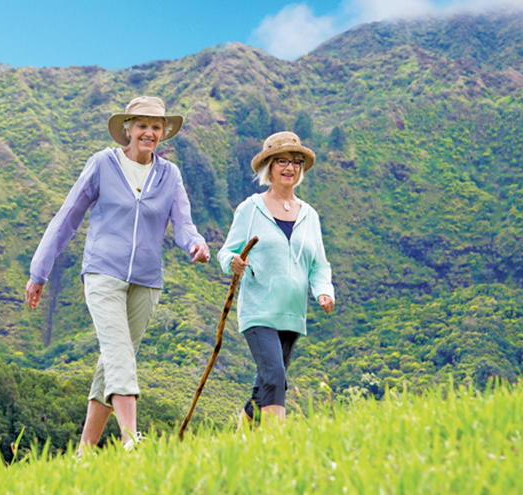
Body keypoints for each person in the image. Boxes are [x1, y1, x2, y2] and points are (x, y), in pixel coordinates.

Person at [25, 96, 211, 453]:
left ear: (163, 133)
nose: (149, 133)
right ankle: (131, 441)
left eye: (156, 127)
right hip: (102, 274)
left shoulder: (169, 174)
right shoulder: (102, 164)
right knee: (120, 355)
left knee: (111, 362)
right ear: (127, 129)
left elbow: (183, 225)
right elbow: (67, 218)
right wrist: (39, 272)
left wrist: (196, 245)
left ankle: (83, 453)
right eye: (142, 125)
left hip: (147, 281)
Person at [217, 131, 335, 426]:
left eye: (296, 162)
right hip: (259, 310)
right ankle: (276, 446)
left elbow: (319, 264)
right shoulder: (251, 208)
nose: (290, 168)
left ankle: (238, 439)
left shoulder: (310, 215)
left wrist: (323, 291)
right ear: (268, 167)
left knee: (267, 385)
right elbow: (227, 251)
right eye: (282, 161)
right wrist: (232, 262)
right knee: (275, 376)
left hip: (292, 313)